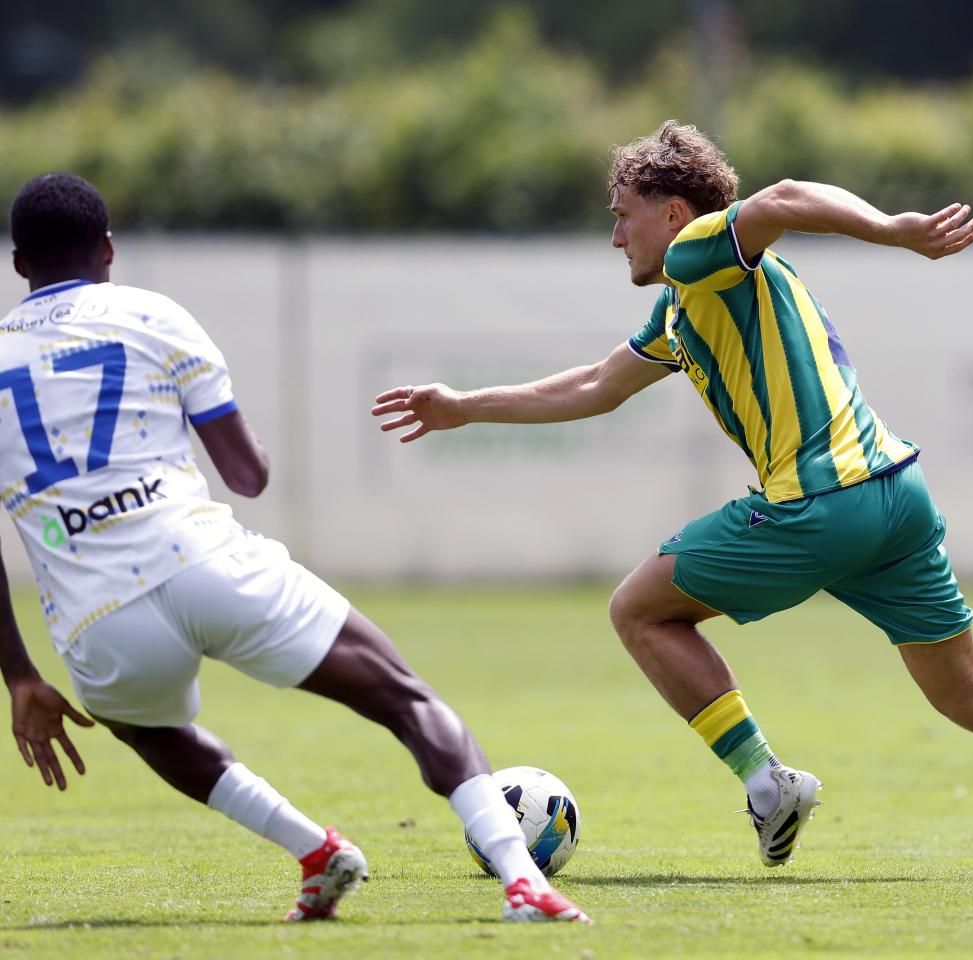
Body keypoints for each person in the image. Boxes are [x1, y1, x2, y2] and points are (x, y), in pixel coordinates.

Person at [373, 120, 973, 880]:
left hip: (817, 503)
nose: (615, 234)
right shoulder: (684, 305)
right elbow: (595, 384)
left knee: (639, 611)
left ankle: (767, 783)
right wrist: (462, 406)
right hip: (896, 495)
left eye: (624, 215)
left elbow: (787, 196)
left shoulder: (698, 252)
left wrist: (897, 230)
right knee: (969, 690)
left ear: (674, 211)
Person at [0, 173, 588, 924]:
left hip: (97, 616)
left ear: (20, 264)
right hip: (204, 562)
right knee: (406, 700)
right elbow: (248, 475)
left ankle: (316, 852)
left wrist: (20, 676)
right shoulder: (153, 315)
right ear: (109, 249)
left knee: (145, 727)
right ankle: (523, 881)